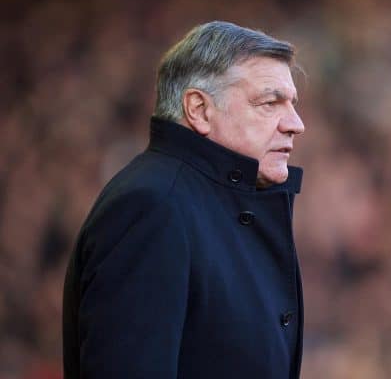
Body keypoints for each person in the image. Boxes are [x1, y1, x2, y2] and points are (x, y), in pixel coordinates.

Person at [62, 21, 306, 378]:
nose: (295, 123)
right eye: (271, 102)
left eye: (292, 104)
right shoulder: (153, 205)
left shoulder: (203, 202)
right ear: (199, 109)